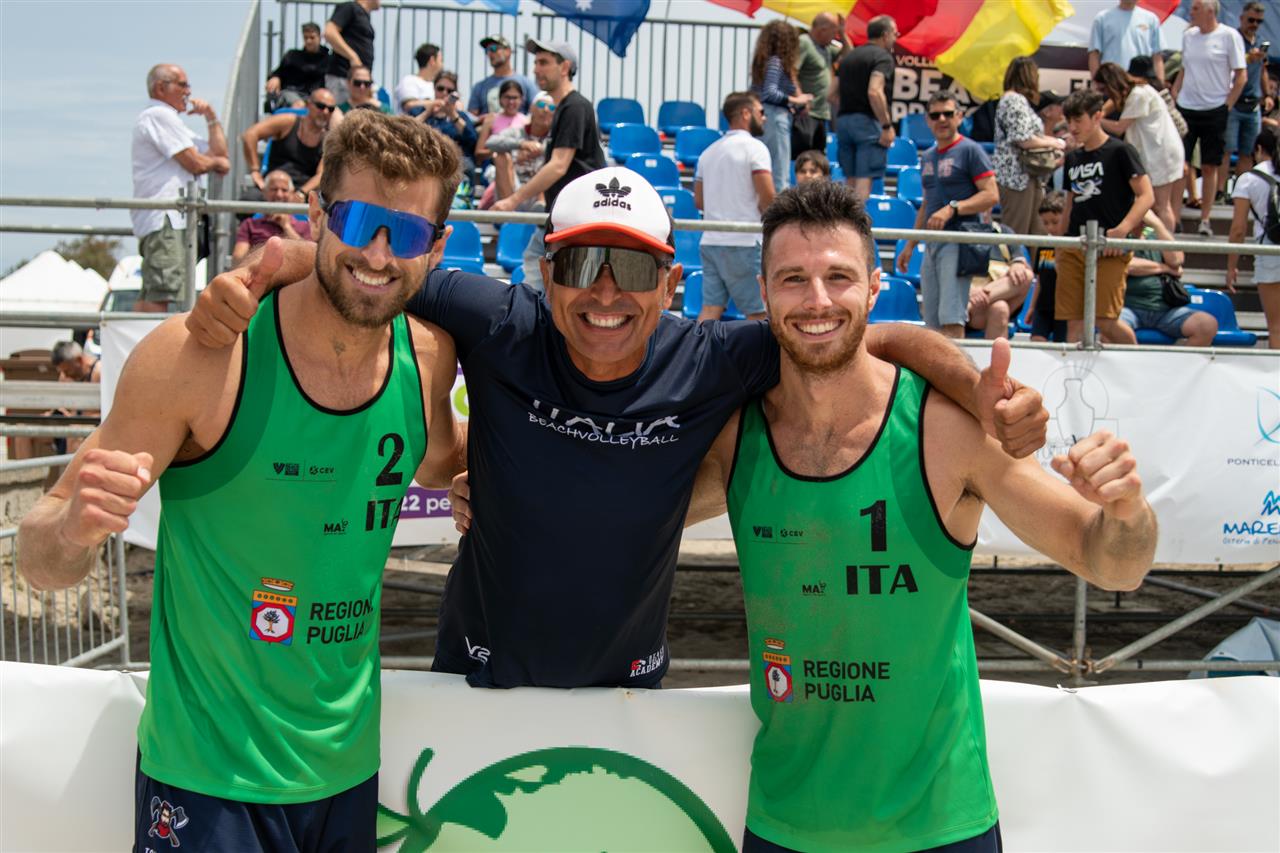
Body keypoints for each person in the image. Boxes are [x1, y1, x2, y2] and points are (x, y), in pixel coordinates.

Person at [186, 165, 1051, 691]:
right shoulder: (499, 320)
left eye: (632, 268)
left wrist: (979, 393)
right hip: (477, 675)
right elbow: (368, 267)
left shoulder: (711, 357)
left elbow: (879, 335)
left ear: (671, 283)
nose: (605, 292)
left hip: (628, 688)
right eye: (583, 263)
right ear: (545, 270)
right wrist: (259, 271)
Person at [18, 111, 466, 851]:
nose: (379, 254)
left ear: (437, 246)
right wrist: (73, 530)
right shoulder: (200, 357)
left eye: (409, 233)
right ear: (318, 213)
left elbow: (444, 460)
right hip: (207, 780)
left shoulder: (427, 360)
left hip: (347, 771)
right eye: (358, 221)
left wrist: (490, 477)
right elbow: (39, 560)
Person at [686, 179, 1156, 853]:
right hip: (785, 824)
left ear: (874, 286)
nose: (817, 300)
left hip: (941, 827)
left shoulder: (944, 431)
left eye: (838, 277)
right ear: (763, 291)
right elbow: (618, 521)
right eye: (793, 279)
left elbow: (1111, 562)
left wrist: (1126, 509)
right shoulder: (738, 440)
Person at [491, 39, 606, 292]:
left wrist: (513, 200)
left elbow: (558, 166)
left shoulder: (575, 106)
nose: (536, 69)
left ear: (564, 67)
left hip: (577, 216)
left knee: (543, 276)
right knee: (538, 269)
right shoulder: (565, 107)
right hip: (564, 215)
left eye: (543, 62)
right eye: (536, 63)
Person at [895, 91, 999, 338]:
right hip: (933, 243)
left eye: (948, 114)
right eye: (935, 115)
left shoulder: (970, 150)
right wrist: (910, 245)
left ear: (959, 117)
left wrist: (953, 208)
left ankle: (953, 365)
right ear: (928, 121)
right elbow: (927, 204)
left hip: (958, 240)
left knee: (952, 318)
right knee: (932, 322)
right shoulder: (928, 156)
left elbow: (991, 195)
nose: (942, 119)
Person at [1055, 89, 1153, 344]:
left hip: (1110, 248)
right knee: (1073, 321)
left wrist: (1122, 230)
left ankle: (1134, 361)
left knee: (1105, 320)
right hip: (1075, 244)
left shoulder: (1121, 151)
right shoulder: (1073, 157)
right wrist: (1060, 245)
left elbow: (1146, 196)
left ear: (1097, 116)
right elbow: (1070, 203)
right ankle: (1073, 370)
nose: (1073, 127)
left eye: (1079, 120)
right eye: (1069, 121)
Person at [131, 64, 230, 313]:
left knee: (156, 292)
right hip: (166, 219)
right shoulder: (158, 115)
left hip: (169, 219)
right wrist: (216, 164)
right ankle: (150, 340)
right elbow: (196, 163)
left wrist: (210, 116)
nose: (189, 91)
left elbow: (219, 152)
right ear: (160, 88)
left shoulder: (169, 120)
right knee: (161, 294)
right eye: (182, 84)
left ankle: (137, 338)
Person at [694, 91, 774, 322]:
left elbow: (699, 202)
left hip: (711, 241)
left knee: (710, 310)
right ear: (746, 113)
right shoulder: (756, 149)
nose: (764, 117)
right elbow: (768, 199)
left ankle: (695, 348)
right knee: (759, 314)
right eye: (761, 111)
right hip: (744, 242)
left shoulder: (707, 153)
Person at [1173, 0, 1247, 237]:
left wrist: (1226, 106)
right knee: (1180, 164)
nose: (1191, 12)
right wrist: (1176, 92)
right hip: (1186, 106)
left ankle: (1205, 218)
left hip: (1215, 107)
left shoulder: (1229, 36)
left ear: (1209, 11)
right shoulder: (1189, 36)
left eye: (1195, 8)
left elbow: (1241, 75)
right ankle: (1175, 217)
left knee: (1209, 165)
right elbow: (1184, 68)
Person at [1095, 62, 1185, 233]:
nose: (1105, 94)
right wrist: (1099, 112)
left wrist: (1096, 121)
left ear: (1112, 84)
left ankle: (1167, 244)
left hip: (1161, 152)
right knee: (1150, 204)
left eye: (1104, 89)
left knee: (1161, 205)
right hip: (1155, 151)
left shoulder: (1138, 95)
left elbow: (1119, 128)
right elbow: (1110, 105)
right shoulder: (1136, 90)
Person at [1120, 211, 1218, 345]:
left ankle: (1181, 360)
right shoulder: (1119, 235)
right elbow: (1127, 265)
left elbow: (1176, 260)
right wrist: (1166, 268)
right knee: (1112, 329)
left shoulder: (1156, 236)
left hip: (1166, 310)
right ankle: (1134, 359)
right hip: (1129, 307)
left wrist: (1158, 225)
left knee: (1206, 325)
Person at [993, 56, 1066, 235]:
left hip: (1029, 176)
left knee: (1037, 232)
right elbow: (1023, 139)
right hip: (1015, 177)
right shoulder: (1013, 100)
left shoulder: (1017, 101)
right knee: (1016, 233)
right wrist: (1056, 142)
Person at [1227, 126, 1280, 348]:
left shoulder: (1248, 179)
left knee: (1276, 327)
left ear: (1258, 149)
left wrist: (1231, 266)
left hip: (1269, 252)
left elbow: (1238, 229)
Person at [835, 14, 898, 200]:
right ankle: (856, 218)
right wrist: (886, 126)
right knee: (864, 180)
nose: (896, 38)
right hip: (867, 124)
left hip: (843, 122)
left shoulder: (848, 58)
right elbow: (874, 91)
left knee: (850, 180)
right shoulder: (883, 57)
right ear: (885, 35)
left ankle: (845, 217)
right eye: (895, 34)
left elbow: (830, 94)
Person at [751, 21, 813, 193]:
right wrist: (797, 100)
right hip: (775, 118)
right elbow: (769, 93)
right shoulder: (776, 63)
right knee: (779, 172)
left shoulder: (763, 63)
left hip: (769, 116)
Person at [240, 88, 335, 199]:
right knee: (248, 198)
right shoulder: (288, 122)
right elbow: (250, 135)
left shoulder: (329, 141)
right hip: (272, 187)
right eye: (320, 106)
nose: (325, 112)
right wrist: (255, 170)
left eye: (331, 109)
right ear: (308, 104)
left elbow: (321, 174)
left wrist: (301, 193)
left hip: (301, 192)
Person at [1219, 3, 1270, 200]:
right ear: (1242, 18)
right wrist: (1249, 58)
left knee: (1248, 152)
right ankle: (1220, 191)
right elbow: (1227, 66)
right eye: (1251, 20)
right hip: (1234, 102)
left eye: (1259, 21)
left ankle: (1241, 193)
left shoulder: (1261, 41)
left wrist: (1268, 95)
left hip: (1253, 103)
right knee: (1227, 150)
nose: (1254, 24)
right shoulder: (1234, 39)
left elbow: (1263, 70)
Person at [481, 89, 552, 211]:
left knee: (556, 164)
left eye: (551, 107)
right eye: (541, 104)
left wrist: (540, 150)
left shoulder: (555, 138)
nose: (545, 110)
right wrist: (521, 145)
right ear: (531, 108)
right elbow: (491, 142)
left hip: (539, 191)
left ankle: (540, 207)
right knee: (501, 157)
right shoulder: (517, 132)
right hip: (514, 187)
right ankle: (508, 214)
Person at [793, 13, 846, 159]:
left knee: (817, 159)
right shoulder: (804, 42)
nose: (835, 36)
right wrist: (800, 97)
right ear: (822, 30)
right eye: (834, 32)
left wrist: (843, 33)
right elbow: (792, 71)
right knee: (803, 157)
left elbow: (849, 55)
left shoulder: (827, 49)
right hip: (807, 113)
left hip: (822, 113)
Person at [965, 227, 1034, 339]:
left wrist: (1017, 264)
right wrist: (970, 292)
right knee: (1000, 307)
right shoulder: (959, 229)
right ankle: (970, 304)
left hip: (997, 296)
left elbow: (1019, 259)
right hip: (968, 298)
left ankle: (969, 306)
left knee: (1026, 275)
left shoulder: (1004, 231)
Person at [231, 170, 314, 263]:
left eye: (284, 190)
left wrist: (287, 227)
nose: (279, 195)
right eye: (274, 189)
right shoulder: (249, 225)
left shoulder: (305, 226)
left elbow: (308, 259)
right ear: (264, 193)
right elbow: (237, 259)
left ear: (292, 194)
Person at [1027, 190, 1069, 342]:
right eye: (1045, 223)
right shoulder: (1044, 244)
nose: (1050, 227)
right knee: (1037, 341)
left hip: (1065, 308)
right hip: (1043, 307)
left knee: (1061, 346)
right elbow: (1039, 279)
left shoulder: (1072, 247)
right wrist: (1032, 307)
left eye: (1055, 222)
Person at [416, 72, 478, 171]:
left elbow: (472, 140)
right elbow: (407, 130)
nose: (444, 93)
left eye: (449, 91)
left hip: (455, 163)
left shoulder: (460, 115)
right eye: (440, 89)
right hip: (425, 161)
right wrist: (428, 112)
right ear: (434, 88)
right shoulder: (420, 111)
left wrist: (452, 114)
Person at [1088, 0, 1164, 81]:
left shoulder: (1151, 19)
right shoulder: (1102, 18)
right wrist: (1096, 82)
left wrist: (1160, 85)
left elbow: (1157, 57)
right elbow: (1094, 54)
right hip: (1112, 81)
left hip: (1142, 82)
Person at [468, 34, 537, 120]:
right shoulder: (479, 87)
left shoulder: (527, 84)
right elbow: (471, 119)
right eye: (487, 50)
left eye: (493, 48)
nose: (490, 53)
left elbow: (536, 113)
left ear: (508, 51)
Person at [265, 22, 330, 112]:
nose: (308, 41)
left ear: (320, 37)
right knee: (299, 104)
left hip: (315, 97)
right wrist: (275, 77)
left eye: (312, 37)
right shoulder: (292, 56)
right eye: (306, 38)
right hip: (291, 93)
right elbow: (278, 72)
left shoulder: (328, 60)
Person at [324, 0, 378, 106]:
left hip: (360, 83)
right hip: (343, 77)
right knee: (341, 114)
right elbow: (329, 32)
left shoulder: (364, 15)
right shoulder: (350, 8)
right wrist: (353, 57)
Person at [475, 79, 530, 161]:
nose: (511, 102)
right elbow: (478, 152)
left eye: (515, 98)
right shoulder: (491, 119)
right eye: (507, 97)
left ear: (521, 99)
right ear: (500, 98)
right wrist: (498, 150)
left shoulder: (527, 121)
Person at [394, 42, 441, 115]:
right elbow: (409, 105)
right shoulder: (409, 81)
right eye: (441, 60)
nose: (442, 65)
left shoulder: (435, 85)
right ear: (432, 60)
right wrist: (440, 103)